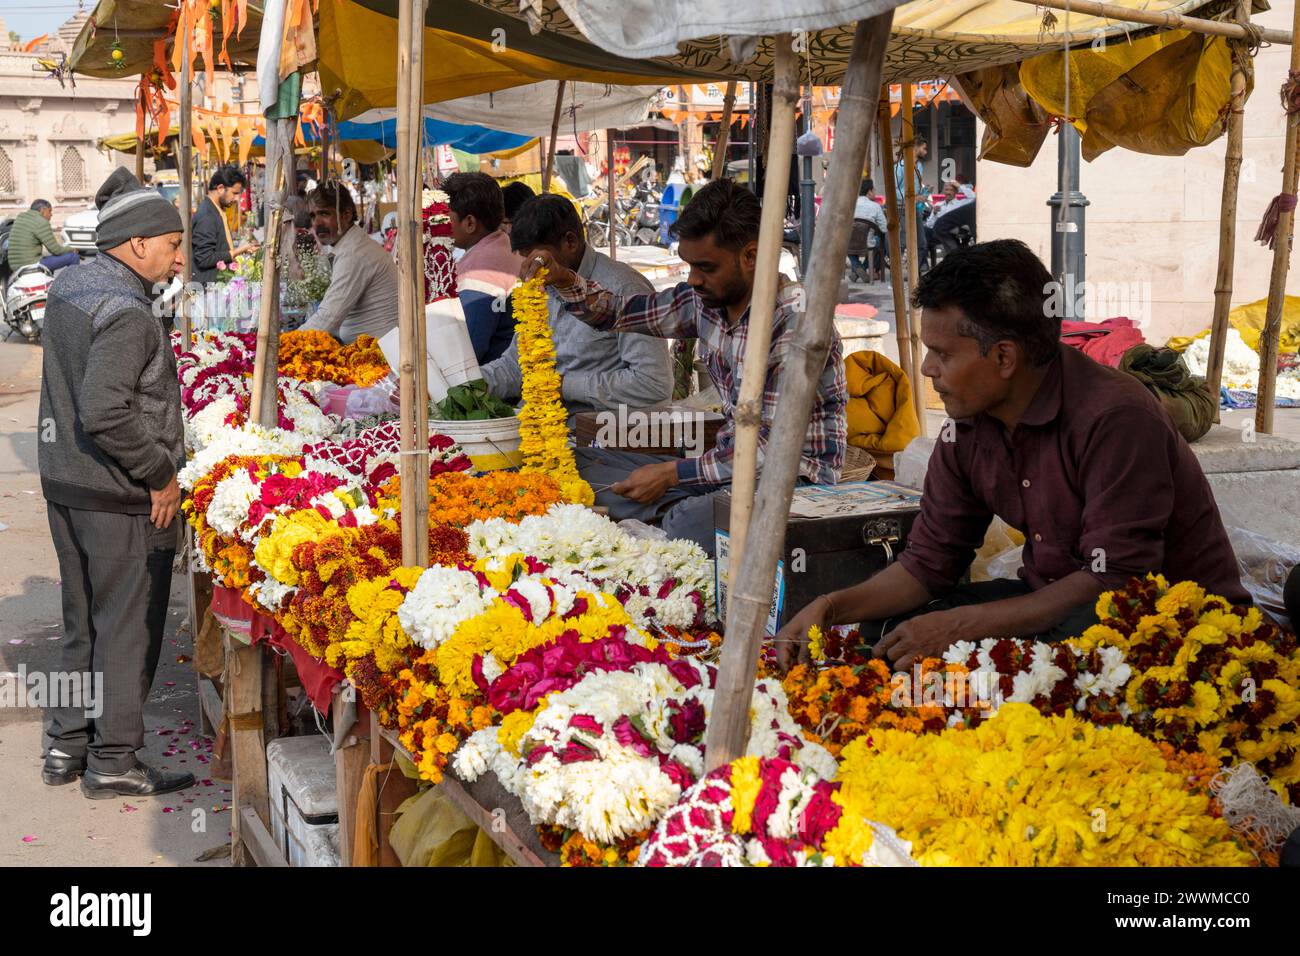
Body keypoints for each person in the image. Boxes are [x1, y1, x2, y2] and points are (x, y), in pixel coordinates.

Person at [777, 239, 1249, 669]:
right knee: (887, 634)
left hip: (1165, 626)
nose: (926, 368)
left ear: (1004, 358)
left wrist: (961, 628)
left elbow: (1117, 582)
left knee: (1035, 658)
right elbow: (928, 563)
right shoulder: (968, 426)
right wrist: (831, 606)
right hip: (1050, 603)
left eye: (942, 353)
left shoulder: (1116, 418)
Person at [523, 180, 846, 556]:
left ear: (752, 256)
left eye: (705, 267)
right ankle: (674, 515)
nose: (693, 278)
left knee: (686, 520)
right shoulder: (705, 301)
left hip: (791, 486)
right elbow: (619, 311)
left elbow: (770, 455)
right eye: (690, 265)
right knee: (580, 457)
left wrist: (672, 475)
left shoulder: (794, 328)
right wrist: (564, 279)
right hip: (722, 468)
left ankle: (674, 519)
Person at [37, 168, 195, 799]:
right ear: (136, 245)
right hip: (113, 492)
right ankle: (113, 761)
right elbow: (105, 410)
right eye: (172, 243)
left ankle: (66, 745)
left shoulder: (71, 284)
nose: (180, 256)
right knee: (126, 625)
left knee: (84, 623)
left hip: (65, 483)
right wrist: (159, 473)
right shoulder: (127, 311)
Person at [484, 193, 672, 417]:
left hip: (598, 436)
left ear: (570, 242)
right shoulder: (539, 287)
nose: (530, 268)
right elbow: (515, 367)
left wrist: (564, 385)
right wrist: (465, 387)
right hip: (535, 427)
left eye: (538, 259)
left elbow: (653, 383)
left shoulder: (625, 287)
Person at [298, 181, 399, 344]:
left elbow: (327, 320)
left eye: (324, 214)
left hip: (381, 356)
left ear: (346, 214)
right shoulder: (349, 246)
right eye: (313, 216)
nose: (317, 223)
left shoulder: (354, 253)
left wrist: (282, 344)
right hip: (368, 348)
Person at [445, 171, 521, 364]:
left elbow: (469, 348)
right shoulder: (504, 244)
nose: (442, 225)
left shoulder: (480, 268)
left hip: (495, 379)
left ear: (470, 223)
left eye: (446, 218)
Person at [191, 165, 257, 285]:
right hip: (206, 288)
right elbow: (205, 259)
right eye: (235, 193)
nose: (237, 199)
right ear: (221, 188)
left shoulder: (216, 210)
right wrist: (238, 251)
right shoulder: (207, 215)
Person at [7, 199, 79, 272]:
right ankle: (74, 282)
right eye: (50, 211)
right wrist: (72, 249)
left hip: (14, 266)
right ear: (43, 210)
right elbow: (56, 250)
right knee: (73, 257)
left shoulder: (20, 218)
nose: (51, 214)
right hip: (31, 264)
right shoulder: (41, 222)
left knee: (49, 259)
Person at [893, 137, 929, 273]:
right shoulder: (899, 167)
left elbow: (915, 187)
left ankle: (914, 274)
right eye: (924, 149)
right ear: (915, 148)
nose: (926, 152)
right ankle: (896, 277)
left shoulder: (919, 166)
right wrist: (913, 197)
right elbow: (893, 189)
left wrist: (923, 191)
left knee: (921, 244)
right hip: (901, 208)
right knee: (901, 244)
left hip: (915, 208)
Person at [851, 179, 888, 280]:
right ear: (869, 191)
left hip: (849, 242)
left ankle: (857, 268)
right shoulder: (875, 206)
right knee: (881, 242)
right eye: (874, 190)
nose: (875, 192)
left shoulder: (850, 204)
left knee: (848, 244)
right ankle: (862, 268)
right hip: (867, 243)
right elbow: (884, 228)